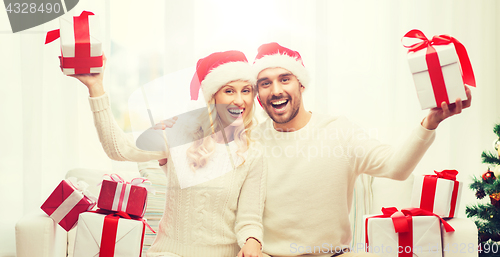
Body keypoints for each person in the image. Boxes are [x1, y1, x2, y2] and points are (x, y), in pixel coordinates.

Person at [250, 42, 472, 257]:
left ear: (301, 84)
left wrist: (430, 122)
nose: (276, 90)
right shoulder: (252, 141)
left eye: (285, 79)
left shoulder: (339, 131)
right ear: (258, 94)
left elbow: (397, 167)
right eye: (265, 83)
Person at [69, 50, 266, 257]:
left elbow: (250, 219)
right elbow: (118, 149)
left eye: (245, 91)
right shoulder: (178, 133)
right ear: (212, 97)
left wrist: (252, 241)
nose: (239, 100)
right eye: (229, 91)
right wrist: (96, 87)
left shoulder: (253, 153)